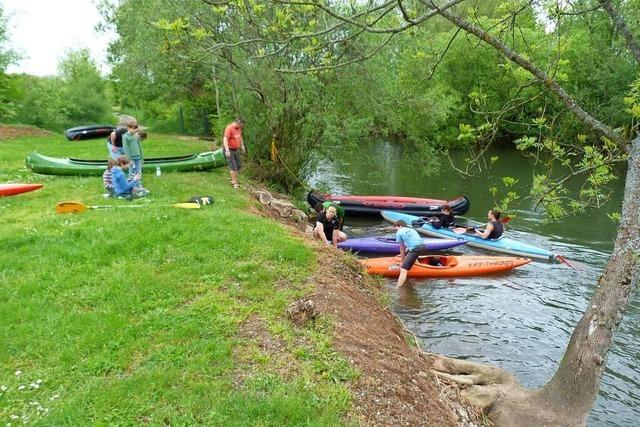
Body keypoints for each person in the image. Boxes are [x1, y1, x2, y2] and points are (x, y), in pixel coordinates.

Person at [393, 220, 430, 287]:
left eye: (396, 227)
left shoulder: (399, 233)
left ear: (400, 226)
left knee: (403, 270)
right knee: (410, 251)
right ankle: (417, 263)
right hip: (423, 247)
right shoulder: (412, 230)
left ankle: (397, 287)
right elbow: (413, 243)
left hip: (416, 249)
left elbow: (402, 248)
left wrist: (402, 262)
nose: (396, 229)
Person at [223, 117, 246, 189]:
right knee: (233, 166)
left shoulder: (238, 129)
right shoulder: (229, 128)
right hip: (229, 150)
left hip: (235, 150)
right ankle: (234, 183)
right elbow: (225, 139)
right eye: (241, 125)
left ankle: (233, 178)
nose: (241, 127)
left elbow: (240, 137)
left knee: (239, 165)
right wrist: (227, 150)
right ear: (238, 123)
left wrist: (242, 146)